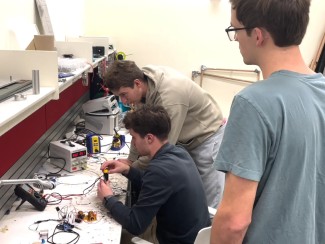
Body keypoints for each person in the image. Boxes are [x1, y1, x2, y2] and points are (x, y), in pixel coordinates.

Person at [211, 0, 325, 243]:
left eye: (235, 30)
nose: (236, 40)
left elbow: (234, 222)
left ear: (258, 35)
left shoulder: (252, 102)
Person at [104, 60, 225, 208]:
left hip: (207, 139)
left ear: (137, 83)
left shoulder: (169, 98)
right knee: (192, 200)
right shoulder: (144, 84)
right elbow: (139, 128)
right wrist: (131, 160)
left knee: (209, 204)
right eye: (119, 96)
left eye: (124, 94)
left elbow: (161, 148)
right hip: (186, 140)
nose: (123, 100)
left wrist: (132, 168)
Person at [97, 105, 211, 244]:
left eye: (134, 137)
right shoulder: (179, 152)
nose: (133, 143)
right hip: (196, 237)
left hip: (175, 241)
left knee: (116, 237)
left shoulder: (160, 170)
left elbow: (135, 224)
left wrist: (108, 198)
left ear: (149, 138)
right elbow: (155, 184)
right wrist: (127, 169)